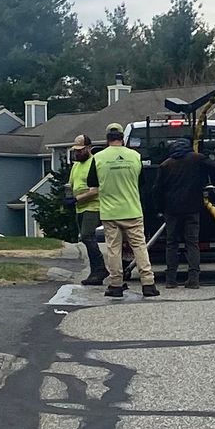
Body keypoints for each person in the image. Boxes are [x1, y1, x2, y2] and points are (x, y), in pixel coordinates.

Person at [94, 122, 159, 298]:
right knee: (139, 246)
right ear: (122, 138)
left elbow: (93, 183)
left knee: (114, 249)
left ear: (107, 138)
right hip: (132, 210)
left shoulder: (98, 158)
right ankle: (148, 284)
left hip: (110, 212)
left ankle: (116, 285)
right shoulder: (135, 156)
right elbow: (142, 183)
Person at [157, 133, 211, 289]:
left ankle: (170, 280)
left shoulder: (165, 165)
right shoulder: (197, 159)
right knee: (192, 243)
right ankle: (194, 278)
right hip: (192, 208)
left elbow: (157, 189)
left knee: (171, 243)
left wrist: (160, 208)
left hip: (171, 210)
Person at [66, 133, 104, 285]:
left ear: (88, 148)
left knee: (87, 236)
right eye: (76, 150)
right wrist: (68, 198)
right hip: (79, 208)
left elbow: (96, 190)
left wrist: (77, 198)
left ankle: (99, 269)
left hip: (93, 206)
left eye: (81, 150)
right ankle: (95, 271)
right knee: (86, 238)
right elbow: (70, 185)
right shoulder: (76, 166)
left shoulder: (95, 162)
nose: (77, 153)